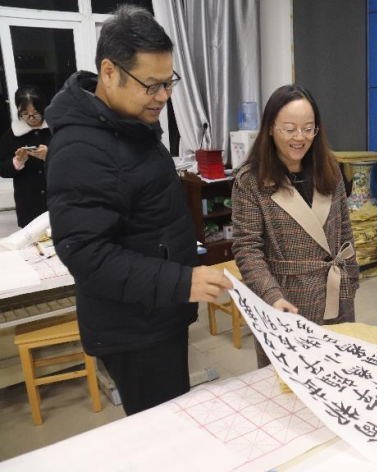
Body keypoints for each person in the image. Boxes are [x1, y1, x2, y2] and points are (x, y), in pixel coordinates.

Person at [45, 5, 232, 415]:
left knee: (174, 414)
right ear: (109, 72)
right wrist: (180, 281)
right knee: (162, 428)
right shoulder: (82, 148)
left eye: (169, 82)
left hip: (157, 310)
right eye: (152, 85)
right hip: (133, 327)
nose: (164, 96)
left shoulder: (128, 125)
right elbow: (87, 254)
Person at [231, 85, 359, 367]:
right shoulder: (250, 181)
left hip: (336, 293)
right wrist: (271, 296)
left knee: (338, 372)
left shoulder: (329, 166)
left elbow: (344, 230)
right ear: (270, 128)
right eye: (289, 129)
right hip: (286, 302)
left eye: (308, 129)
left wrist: (351, 277)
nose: (300, 137)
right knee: (291, 377)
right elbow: (247, 249)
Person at [0, 86, 51, 228]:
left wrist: (50, 156)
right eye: (25, 114)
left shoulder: (54, 129)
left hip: (56, 199)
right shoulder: (11, 135)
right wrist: (18, 161)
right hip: (28, 203)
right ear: (18, 109)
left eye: (35, 114)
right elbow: (2, 170)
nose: (31, 118)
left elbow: (72, 162)